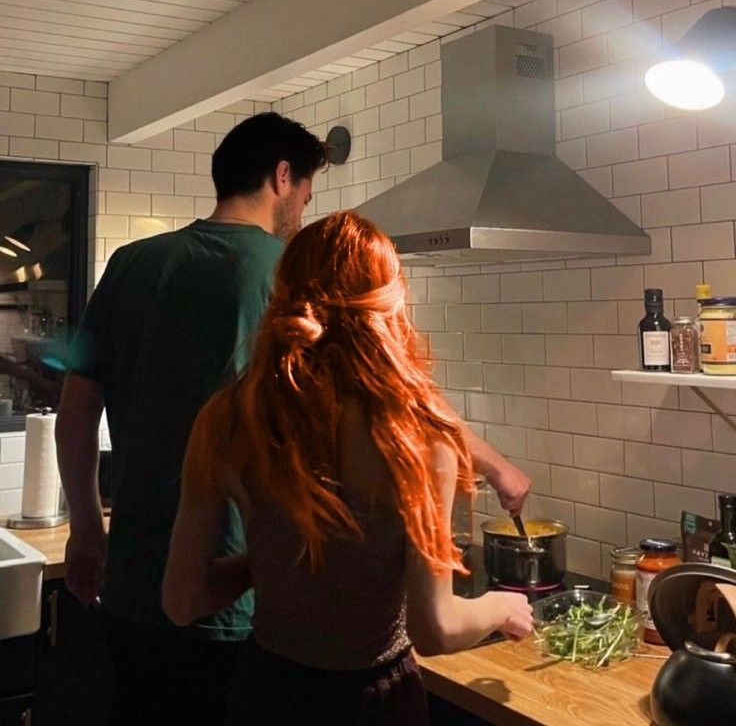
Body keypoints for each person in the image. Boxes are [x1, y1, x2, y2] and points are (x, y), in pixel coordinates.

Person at [162, 210, 534, 726]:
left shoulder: (227, 416)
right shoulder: (418, 433)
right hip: (374, 703)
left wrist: (271, 558)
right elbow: (436, 629)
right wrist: (501, 606)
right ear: (390, 302)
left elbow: (182, 600)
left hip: (266, 695)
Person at [55, 111, 326, 726]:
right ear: (282, 176)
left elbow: (74, 414)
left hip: (133, 584)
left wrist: (86, 529)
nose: (303, 215)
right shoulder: (289, 272)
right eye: (307, 196)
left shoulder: (129, 263)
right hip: (232, 587)